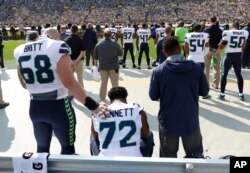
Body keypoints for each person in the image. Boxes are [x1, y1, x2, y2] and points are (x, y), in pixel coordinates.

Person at [13, 29, 109, 154]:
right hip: (58, 107)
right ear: (57, 37)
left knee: (42, 149)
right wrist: (94, 106)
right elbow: (69, 83)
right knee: (67, 149)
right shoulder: (57, 46)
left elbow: (23, 84)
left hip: (35, 107)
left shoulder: (20, 50)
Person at [149, 37, 209, 158]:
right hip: (190, 118)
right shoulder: (196, 67)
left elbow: (153, 95)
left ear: (164, 52)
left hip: (168, 120)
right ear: (180, 48)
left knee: (168, 159)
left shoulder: (159, 70)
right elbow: (205, 91)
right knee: (195, 157)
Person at [90, 86, 154, 157]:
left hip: (106, 159)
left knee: (93, 135)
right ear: (125, 99)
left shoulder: (100, 112)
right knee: (149, 134)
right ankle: (145, 161)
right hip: (134, 158)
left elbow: (96, 136)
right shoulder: (137, 110)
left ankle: (97, 159)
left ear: (111, 101)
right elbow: (145, 134)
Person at [218, 22, 249, 101]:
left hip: (229, 55)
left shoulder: (227, 32)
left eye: (229, 25)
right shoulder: (245, 32)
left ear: (232, 26)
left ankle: (222, 94)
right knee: (239, 75)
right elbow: (244, 44)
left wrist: (219, 45)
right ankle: (241, 94)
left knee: (224, 75)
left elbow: (222, 46)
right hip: (238, 55)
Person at [94, 28, 123, 101]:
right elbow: (121, 54)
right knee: (115, 83)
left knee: (103, 83)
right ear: (111, 35)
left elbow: (95, 58)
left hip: (103, 67)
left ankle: (102, 97)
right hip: (113, 67)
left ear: (104, 35)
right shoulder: (115, 44)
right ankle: (116, 97)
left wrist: (95, 67)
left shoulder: (98, 45)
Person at [65, 25, 85, 92]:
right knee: (80, 79)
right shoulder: (80, 40)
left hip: (69, 61)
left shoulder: (66, 40)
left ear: (71, 30)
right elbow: (82, 53)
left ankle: (70, 93)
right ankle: (81, 93)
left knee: (70, 79)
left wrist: (72, 61)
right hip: (78, 61)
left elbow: (66, 53)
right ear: (77, 31)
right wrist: (76, 61)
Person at [204, 17, 222, 89]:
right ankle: (216, 84)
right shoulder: (220, 30)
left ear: (210, 21)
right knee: (216, 68)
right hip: (216, 50)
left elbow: (205, 41)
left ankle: (206, 84)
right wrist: (218, 49)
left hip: (208, 50)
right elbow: (221, 41)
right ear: (216, 21)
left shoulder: (206, 30)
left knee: (207, 68)